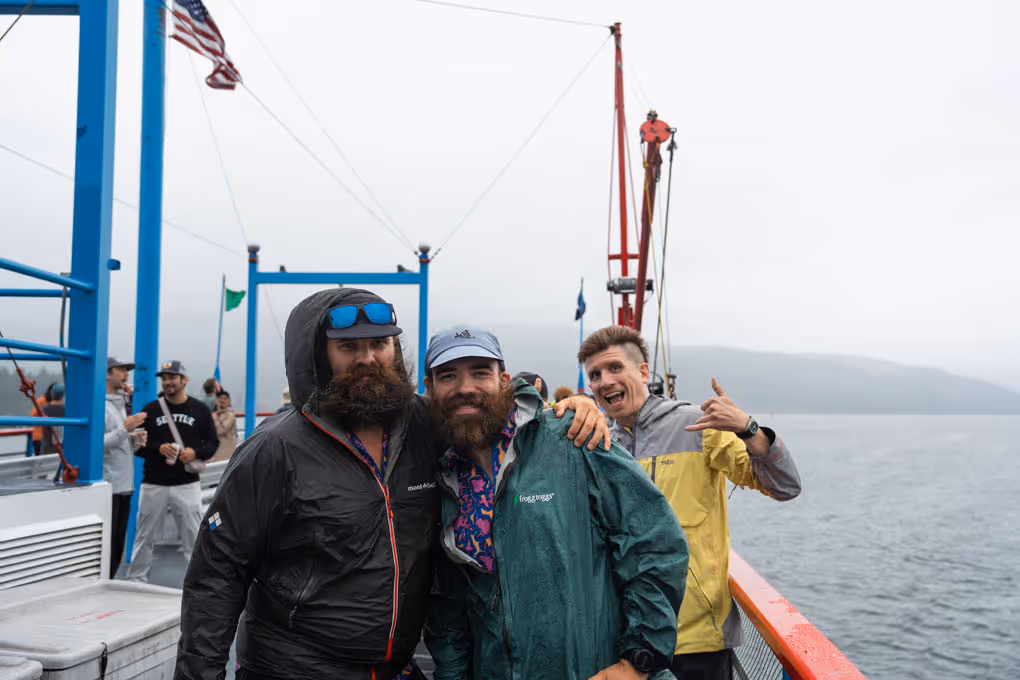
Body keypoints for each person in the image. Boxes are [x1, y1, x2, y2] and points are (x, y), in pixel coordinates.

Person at [175, 289, 610, 680]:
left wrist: (561, 408)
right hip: (295, 667)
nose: (367, 358)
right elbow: (217, 575)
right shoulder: (273, 450)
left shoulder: (424, 425)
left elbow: (480, 405)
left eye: (379, 344)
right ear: (318, 356)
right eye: (348, 347)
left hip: (395, 667)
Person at [424, 326, 689, 680]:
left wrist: (640, 659)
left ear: (504, 380)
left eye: (480, 372)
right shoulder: (443, 475)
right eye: (448, 376)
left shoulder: (572, 436)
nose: (465, 387)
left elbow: (654, 542)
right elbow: (450, 608)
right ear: (429, 389)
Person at [578, 326, 803, 679]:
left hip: (695, 640)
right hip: (626, 641)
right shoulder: (600, 444)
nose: (604, 381)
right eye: (595, 374)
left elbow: (785, 485)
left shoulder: (698, 425)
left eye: (614, 368)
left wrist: (748, 428)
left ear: (641, 371)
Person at [127, 360, 219, 583]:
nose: (167, 382)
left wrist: (194, 453)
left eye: (172, 377)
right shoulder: (150, 410)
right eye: (164, 378)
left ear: (183, 380)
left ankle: (198, 583)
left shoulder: (200, 410)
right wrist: (158, 448)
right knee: (144, 535)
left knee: (193, 536)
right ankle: (136, 580)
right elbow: (136, 447)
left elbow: (212, 444)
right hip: (154, 483)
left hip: (186, 483)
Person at [105, 357, 147, 578]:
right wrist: (126, 429)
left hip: (123, 484)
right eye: (120, 370)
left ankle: (109, 581)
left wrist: (134, 438)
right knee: (107, 546)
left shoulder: (118, 404)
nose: (126, 374)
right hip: (109, 486)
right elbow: (95, 446)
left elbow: (118, 439)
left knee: (117, 543)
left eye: (126, 370)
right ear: (107, 374)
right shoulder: (99, 405)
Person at [209, 390, 237, 462]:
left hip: (227, 453)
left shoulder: (230, 414)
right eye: (220, 399)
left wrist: (215, 417)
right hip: (217, 451)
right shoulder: (215, 414)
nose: (222, 401)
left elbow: (222, 430)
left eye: (225, 399)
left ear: (229, 401)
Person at [40, 383, 65, 454]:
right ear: (62, 395)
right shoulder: (66, 410)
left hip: (46, 448)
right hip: (61, 448)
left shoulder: (45, 409)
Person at [30, 383, 54, 455]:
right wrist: (43, 415)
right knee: (39, 461)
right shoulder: (41, 400)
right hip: (39, 438)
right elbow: (33, 416)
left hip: (50, 438)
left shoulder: (53, 403)